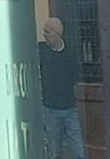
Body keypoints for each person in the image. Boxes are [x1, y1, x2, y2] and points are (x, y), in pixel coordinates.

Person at [39, 17, 87, 159]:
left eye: (47, 32)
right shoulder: (41, 51)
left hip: (69, 108)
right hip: (50, 109)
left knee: (79, 149)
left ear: (57, 34)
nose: (44, 35)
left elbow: (75, 75)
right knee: (55, 152)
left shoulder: (71, 52)